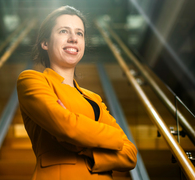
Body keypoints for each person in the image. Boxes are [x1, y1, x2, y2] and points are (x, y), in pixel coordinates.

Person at [17, 6, 137, 180]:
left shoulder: (94, 98)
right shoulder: (31, 80)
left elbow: (130, 155)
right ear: (45, 43)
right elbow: (68, 128)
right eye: (64, 31)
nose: (73, 38)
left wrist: (85, 149)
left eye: (79, 33)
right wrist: (114, 137)